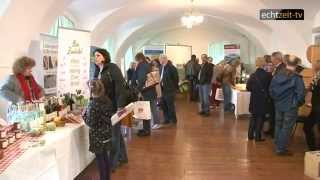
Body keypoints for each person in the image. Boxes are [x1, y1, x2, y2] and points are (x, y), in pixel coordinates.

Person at [93, 48, 128, 171]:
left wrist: (120, 106)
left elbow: (120, 87)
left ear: (104, 57)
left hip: (114, 106)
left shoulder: (112, 68)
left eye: (98, 55)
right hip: (104, 107)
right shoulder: (97, 70)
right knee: (116, 133)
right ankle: (123, 157)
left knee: (113, 135)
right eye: (94, 56)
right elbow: (97, 88)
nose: (95, 57)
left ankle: (112, 163)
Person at [269, 55, 305, 156]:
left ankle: (277, 145)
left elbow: (271, 90)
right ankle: (280, 149)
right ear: (296, 65)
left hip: (278, 104)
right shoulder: (296, 77)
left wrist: (276, 100)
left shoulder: (277, 74)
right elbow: (301, 94)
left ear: (286, 63)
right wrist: (296, 103)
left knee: (278, 125)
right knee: (286, 127)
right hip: (290, 106)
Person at [82, 79, 113, 180]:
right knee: (105, 158)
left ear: (91, 91)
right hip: (107, 133)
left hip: (97, 136)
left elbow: (91, 122)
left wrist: (84, 116)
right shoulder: (107, 100)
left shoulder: (93, 104)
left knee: (100, 160)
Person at [246, 57, 272, 142]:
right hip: (263, 99)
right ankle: (257, 136)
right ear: (264, 64)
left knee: (253, 116)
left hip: (254, 98)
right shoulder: (268, 75)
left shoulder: (253, 75)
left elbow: (248, 87)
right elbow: (270, 88)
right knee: (260, 117)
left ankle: (250, 135)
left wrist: (255, 90)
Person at [133, 52, 159, 136]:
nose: (136, 62)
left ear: (138, 59)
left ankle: (146, 130)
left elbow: (142, 79)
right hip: (150, 91)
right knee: (147, 111)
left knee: (145, 112)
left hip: (147, 92)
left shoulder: (142, 66)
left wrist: (137, 90)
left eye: (136, 61)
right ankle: (146, 129)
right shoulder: (147, 65)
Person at [266, 52, 286, 137]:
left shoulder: (282, 68)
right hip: (274, 95)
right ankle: (271, 130)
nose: (271, 61)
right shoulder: (277, 67)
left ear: (277, 59)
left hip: (277, 96)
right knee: (272, 113)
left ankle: (274, 132)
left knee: (275, 115)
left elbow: (279, 82)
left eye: (272, 59)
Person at [303, 59, 320, 151]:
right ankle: (313, 150)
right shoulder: (316, 76)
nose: (312, 66)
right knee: (307, 127)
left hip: (317, 107)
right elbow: (312, 89)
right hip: (315, 107)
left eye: (314, 64)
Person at [159, 54, 179, 125]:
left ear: (164, 59)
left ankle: (173, 120)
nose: (159, 61)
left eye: (160, 59)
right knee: (164, 105)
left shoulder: (171, 67)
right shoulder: (161, 67)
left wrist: (173, 88)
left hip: (169, 90)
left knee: (170, 105)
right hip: (162, 89)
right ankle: (166, 119)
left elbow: (176, 79)